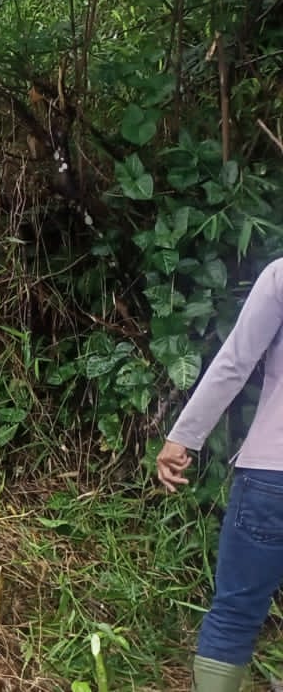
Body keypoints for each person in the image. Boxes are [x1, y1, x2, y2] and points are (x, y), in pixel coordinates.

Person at [158, 259, 283, 692]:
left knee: (234, 615)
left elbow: (235, 361)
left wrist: (183, 437)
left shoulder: (282, 275)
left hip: (272, 475)